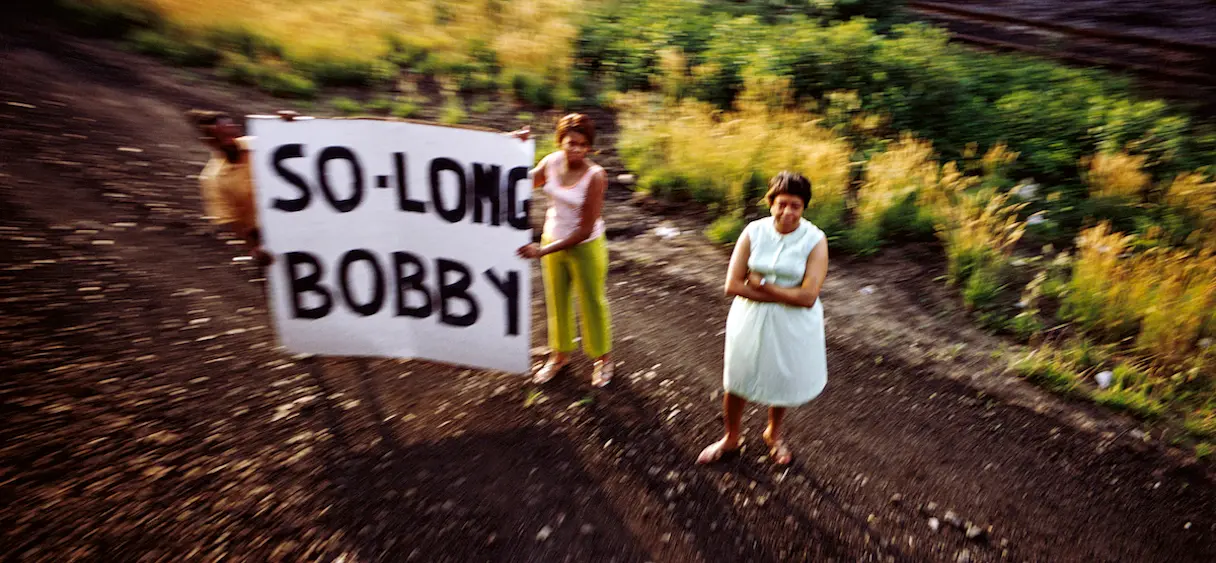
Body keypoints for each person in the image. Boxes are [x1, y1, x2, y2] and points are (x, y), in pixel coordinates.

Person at [697, 172, 829, 466]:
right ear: (770, 203)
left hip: (793, 324)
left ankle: (773, 433)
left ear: (804, 207)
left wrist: (763, 286)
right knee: (738, 378)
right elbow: (732, 284)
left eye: (795, 205)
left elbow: (808, 296)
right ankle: (731, 437)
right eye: (782, 204)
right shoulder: (753, 232)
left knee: (781, 377)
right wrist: (785, 294)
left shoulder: (815, 239)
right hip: (750, 317)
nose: (787, 212)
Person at [515, 113, 614, 387]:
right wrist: (513, 147)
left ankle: (603, 359)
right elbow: (518, 180)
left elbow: (584, 229)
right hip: (551, 238)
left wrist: (541, 252)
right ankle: (559, 356)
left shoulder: (595, 176)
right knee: (556, 300)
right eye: (571, 143)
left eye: (583, 145)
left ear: (590, 147)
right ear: (561, 141)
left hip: (585, 245)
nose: (576, 149)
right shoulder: (551, 161)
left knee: (592, 302)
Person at [185, 109, 271, 266]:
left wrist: (289, 123)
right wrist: (255, 247)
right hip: (268, 238)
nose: (230, 141)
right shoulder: (213, 178)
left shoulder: (262, 144)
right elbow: (233, 221)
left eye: (232, 132)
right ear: (209, 141)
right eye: (222, 137)